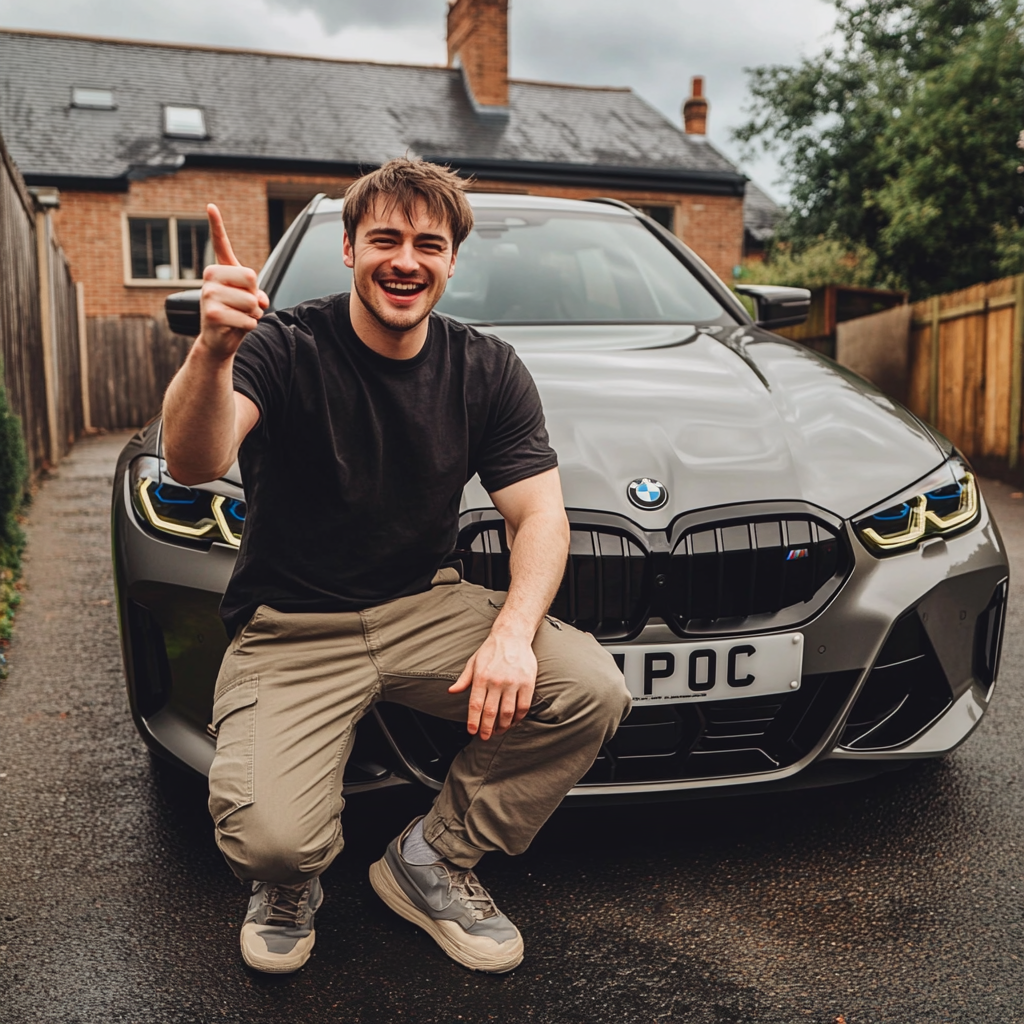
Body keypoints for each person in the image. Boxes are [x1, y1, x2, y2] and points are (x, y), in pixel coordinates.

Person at [162, 158, 631, 975]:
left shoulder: (486, 369)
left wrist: (514, 635)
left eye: (428, 243)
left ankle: (432, 859)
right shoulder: (281, 347)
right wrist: (212, 353)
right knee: (270, 841)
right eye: (384, 238)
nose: (405, 260)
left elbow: (539, 516)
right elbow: (194, 459)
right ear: (348, 249)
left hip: (424, 607)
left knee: (591, 687)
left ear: (452, 260)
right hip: (293, 626)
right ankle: (291, 881)